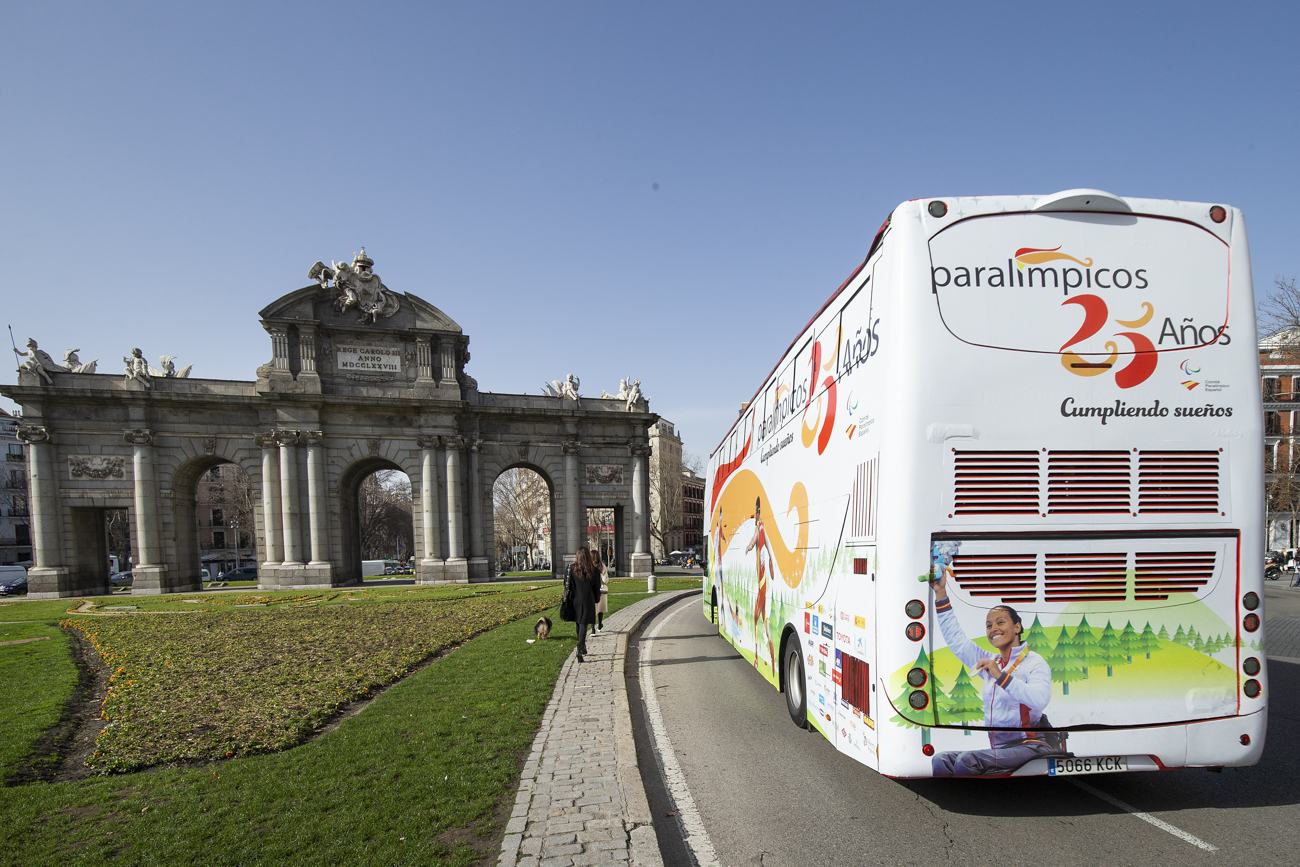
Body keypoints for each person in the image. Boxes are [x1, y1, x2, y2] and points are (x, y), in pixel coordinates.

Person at [929, 565, 1054, 776]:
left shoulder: (1034, 662)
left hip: (1030, 744)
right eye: (988, 625)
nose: (993, 628)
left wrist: (1000, 676)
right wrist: (940, 593)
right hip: (1001, 749)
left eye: (1000, 622)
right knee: (941, 760)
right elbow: (957, 641)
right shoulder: (991, 660)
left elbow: (1040, 699)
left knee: (967, 761)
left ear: (1017, 627)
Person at [744, 497, 777, 670]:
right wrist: (771, 560)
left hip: (762, 582)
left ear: (758, 512)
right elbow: (769, 549)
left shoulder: (759, 528)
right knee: (764, 620)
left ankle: (757, 657)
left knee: (756, 618)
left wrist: (748, 548)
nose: (756, 515)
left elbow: (752, 542)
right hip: (763, 581)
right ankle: (771, 659)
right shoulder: (764, 527)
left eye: (756, 512)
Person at [565, 546, 600, 663]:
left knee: (579, 623)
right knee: (583, 624)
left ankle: (582, 646)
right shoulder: (594, 571)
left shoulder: (571, 569)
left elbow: (567, 585)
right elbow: (596, 588)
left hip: (575, 600)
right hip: (588, 600)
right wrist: (597, 599)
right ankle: (580, 648)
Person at [593, 549, 610, 630]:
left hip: (592, 590)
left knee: (593, 609)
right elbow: (605, 580)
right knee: (600, 609)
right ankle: (599, 624)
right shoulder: (602, 567)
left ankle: (593, 628)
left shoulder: (589, 567)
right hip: (601, 589)